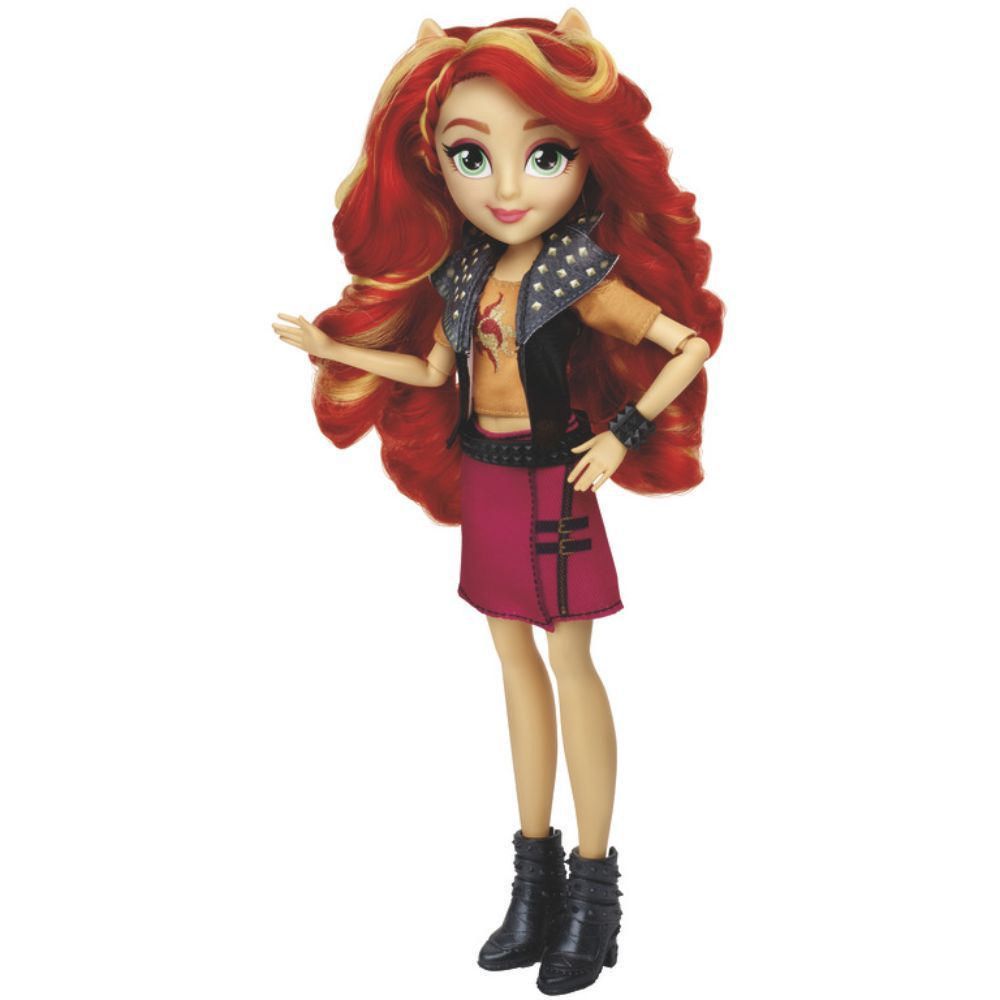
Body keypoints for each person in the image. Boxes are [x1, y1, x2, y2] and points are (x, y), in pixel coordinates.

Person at [273, 10, 723, 994]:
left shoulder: (578, 270)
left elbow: (687, 344)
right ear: (435, 164)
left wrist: (624, 431)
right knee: (513, 659)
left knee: (569, 658)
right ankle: (533, 881)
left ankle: (593, 891)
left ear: (586, 160)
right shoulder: (464, 270)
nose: (508, 187)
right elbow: (436, 370)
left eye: (544, 153)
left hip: (558, 474)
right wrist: (336, 348)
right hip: (487, 472)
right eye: (472, 157)